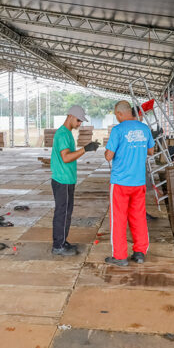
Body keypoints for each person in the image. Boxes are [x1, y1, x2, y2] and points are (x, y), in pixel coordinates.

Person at [104, 100, 155, 266]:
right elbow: (151, 151)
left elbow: (109, 156)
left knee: (118, 219)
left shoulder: (118, 130)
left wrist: (108, 151)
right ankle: (140, 252)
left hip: (120, 182)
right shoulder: (145, 128)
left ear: (120, 113)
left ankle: (120, 256)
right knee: (138, 216)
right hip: (138, 181)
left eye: (116, 115)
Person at [50, 105, 100, 256]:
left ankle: (62, 241)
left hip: (67, 180)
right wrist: (85, 149)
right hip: (62, 180)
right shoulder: (63, 134)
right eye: (78, 120)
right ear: (70, 116)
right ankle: (58, 246)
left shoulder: (67, 133)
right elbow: (65, 158)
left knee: (66, 212)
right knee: (62, 213)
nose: (79, 124)